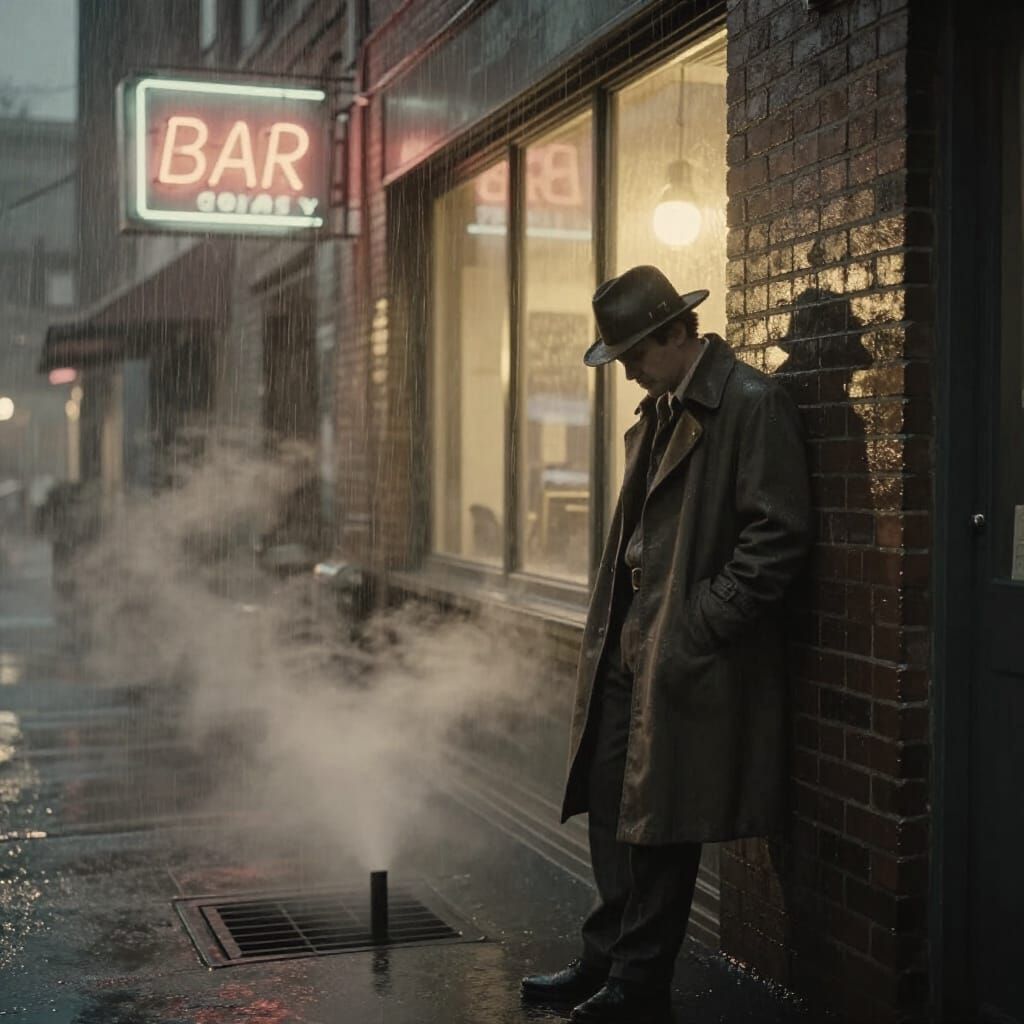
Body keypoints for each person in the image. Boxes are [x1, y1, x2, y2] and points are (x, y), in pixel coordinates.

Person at [521, 265, 812, 1023]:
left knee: (662, 820)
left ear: (678, 333)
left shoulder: (750, 403)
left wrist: (696, 626)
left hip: (682, 652)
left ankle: (638, 981)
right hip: (634, 643)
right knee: (615, 805)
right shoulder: (661, 410)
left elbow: (777, 539)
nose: (627, 373)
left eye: (634, 356)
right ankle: (607, 958)